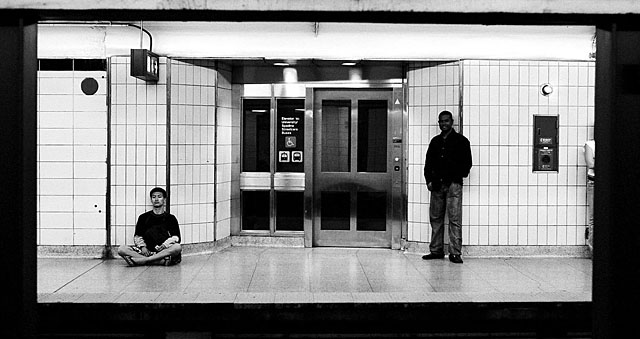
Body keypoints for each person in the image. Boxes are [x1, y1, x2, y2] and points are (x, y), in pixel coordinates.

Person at [422, 110, 472, 264]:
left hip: (453, 186)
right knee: (435, 218)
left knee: (454, 219)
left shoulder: (462, 141)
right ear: (439, 123)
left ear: (452, 122)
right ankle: (436, 250)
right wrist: (429, 180)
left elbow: (467, 164)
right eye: (441, 121)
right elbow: (428, 163)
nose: (444, 124)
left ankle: (455, 253)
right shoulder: (435, 142)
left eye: (446, 121)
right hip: (436, 185)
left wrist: (456, 178)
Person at [117, 187, 182, 266]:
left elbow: (176, 237)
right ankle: (159, 261)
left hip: (163, 251)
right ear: (151, 200)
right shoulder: (143, 217)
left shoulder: (171, 218)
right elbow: (137, 236)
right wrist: (143, 247)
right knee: (122, 249)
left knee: (177, 247)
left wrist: (164, 245)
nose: (156, 199)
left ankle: (143, 261)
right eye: (154, 197)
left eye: (159, 197)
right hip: (146, 251)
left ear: (164, 199)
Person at [583, 139, 595, 256]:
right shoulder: (590, 144)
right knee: (593, 218)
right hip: (594, 182)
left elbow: (593, 163)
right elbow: (590, 163)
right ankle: (593, 251)